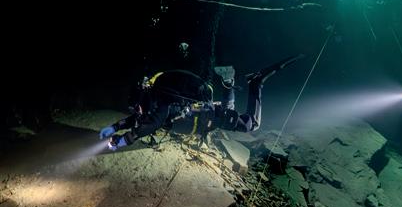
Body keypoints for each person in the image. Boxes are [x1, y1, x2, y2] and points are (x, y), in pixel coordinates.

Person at [99, 55, 304, 150]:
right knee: (227, 109)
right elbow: (139, 119)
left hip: (211, 116)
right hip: (209, 113)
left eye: (135, 107)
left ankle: (253, 82)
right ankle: (230, 84)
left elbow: (150, 125)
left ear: (140, 100)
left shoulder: (160, 107)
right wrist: (114, 127)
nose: (136, 111)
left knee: (252, 124)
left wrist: (123, 140)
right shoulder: (157, 99)